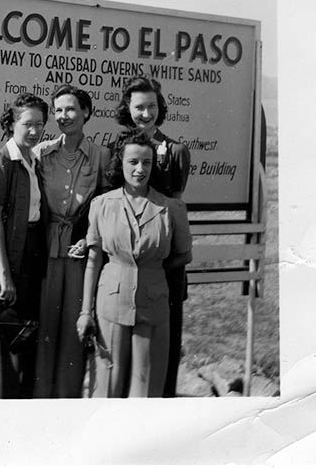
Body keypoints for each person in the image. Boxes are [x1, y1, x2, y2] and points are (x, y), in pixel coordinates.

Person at [76, 129, 192, 397]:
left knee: (146, 386)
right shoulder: (102, 205)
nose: (140, 169)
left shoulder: (171, 209)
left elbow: (184, 255)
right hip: (110, 304)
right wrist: (85, 312)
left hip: (153, 306)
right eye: (133, 162)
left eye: (147, 163)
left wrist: (151, 270)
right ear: (121, 164)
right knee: (107, 384)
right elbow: (93, 260)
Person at [113, 75, 191, 396]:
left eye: (152, 106)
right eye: (138, 107)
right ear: (127, 108)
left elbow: (176, 206)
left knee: (163, 342)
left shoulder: (175, 151)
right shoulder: (117, 148)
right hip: (126, 260)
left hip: (163, 260)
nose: (146, 113)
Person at [32, 85, 110, 398]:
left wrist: (87, 237)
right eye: (59, 110)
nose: (64, 116)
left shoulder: (101, 156)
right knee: (45, 326)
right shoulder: (42, 153)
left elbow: (105, 205)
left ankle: (68, 400)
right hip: (45, 249)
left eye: (71, 109)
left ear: (86, 113)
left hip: (80, 253)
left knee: (73, 329)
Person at [0, 93, 49, 398]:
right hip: (6, 263)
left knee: (22, 342)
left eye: (40, 125)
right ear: (12, 123)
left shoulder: (33, 160)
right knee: (1, 350)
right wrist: (4, 276)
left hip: (30, 260)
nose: (34, 131)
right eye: (28, 124)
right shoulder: (2, 161)